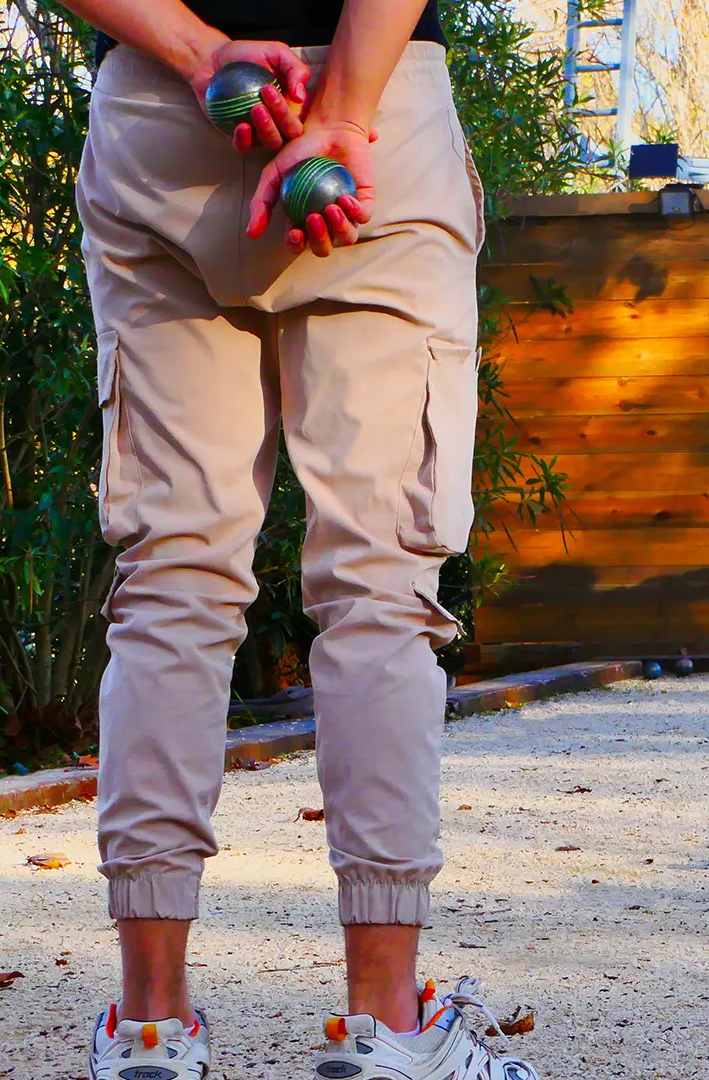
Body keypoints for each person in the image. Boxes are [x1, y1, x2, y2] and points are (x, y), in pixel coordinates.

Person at [68, 2, 539, 1078]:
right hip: (375, 120)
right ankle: (386, 1026)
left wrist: (196, 55)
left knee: (173, 582)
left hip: (166, 118)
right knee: (378, 587)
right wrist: (345, 113)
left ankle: (150, 1028)